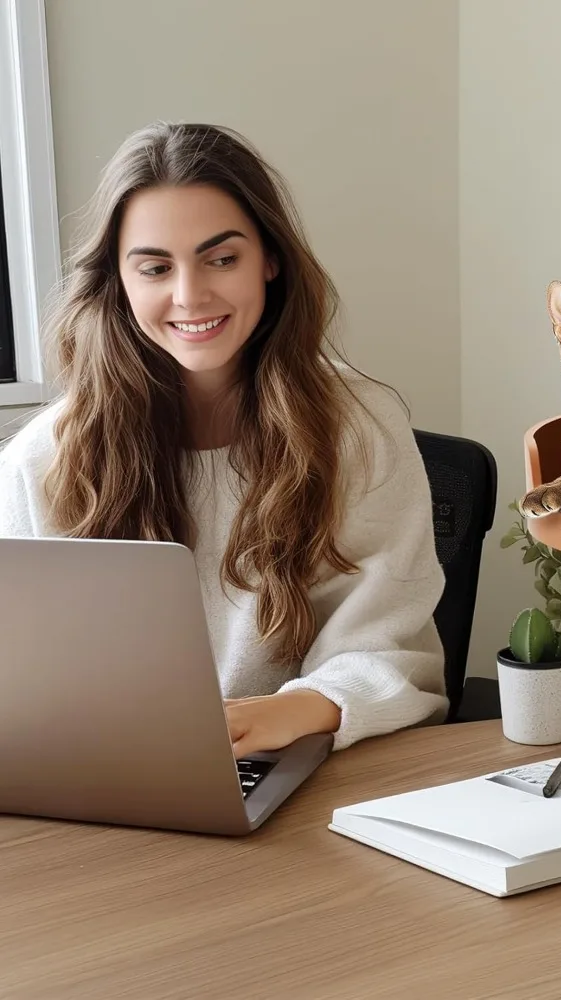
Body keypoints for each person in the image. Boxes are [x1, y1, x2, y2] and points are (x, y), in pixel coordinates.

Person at [0, 121, 450, 757]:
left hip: (305, 770)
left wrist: (290, 711)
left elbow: (389, 653)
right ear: (119, 283)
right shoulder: (42, 458)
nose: (190, 296)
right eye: (155, 267)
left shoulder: (359, 427)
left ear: (269, 260)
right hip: (108, 780)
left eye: (221, 258)